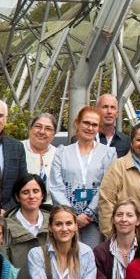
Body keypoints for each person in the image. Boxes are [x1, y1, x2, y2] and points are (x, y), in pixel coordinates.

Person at [48, 106, 116, 248]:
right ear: (77, 123)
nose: (90, 128)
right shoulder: (62, 152)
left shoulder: (108, 153)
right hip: (65, 223)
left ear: (99, 128)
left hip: (93, 222)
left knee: (90, 262)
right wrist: (72, 216)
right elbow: (55, 185)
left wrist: (88, 214)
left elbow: (107, 186)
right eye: (86, 123)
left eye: (94, 125)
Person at [3, 172, 50, 279]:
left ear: (42, 195)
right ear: (17, 197)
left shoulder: (55, 223)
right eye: (25, 192)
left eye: (36, 191)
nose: (31, 196)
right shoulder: (5, 227)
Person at [23, 113, 57, 178]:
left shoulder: (58, 154)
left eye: (48, 129)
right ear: (30, 128)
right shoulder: (17, 149)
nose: (42, 132)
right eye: (38, 126)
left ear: (54, 133)